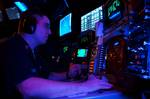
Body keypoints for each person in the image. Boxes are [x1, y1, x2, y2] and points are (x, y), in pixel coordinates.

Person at [0, 9, 112, 99]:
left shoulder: (33, 51)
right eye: (46, 26)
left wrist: (68, 74)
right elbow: (28, 88)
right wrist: (84, 86)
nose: (50, 32)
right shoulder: (12, 46)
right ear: (30, 26)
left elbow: (48, 76)